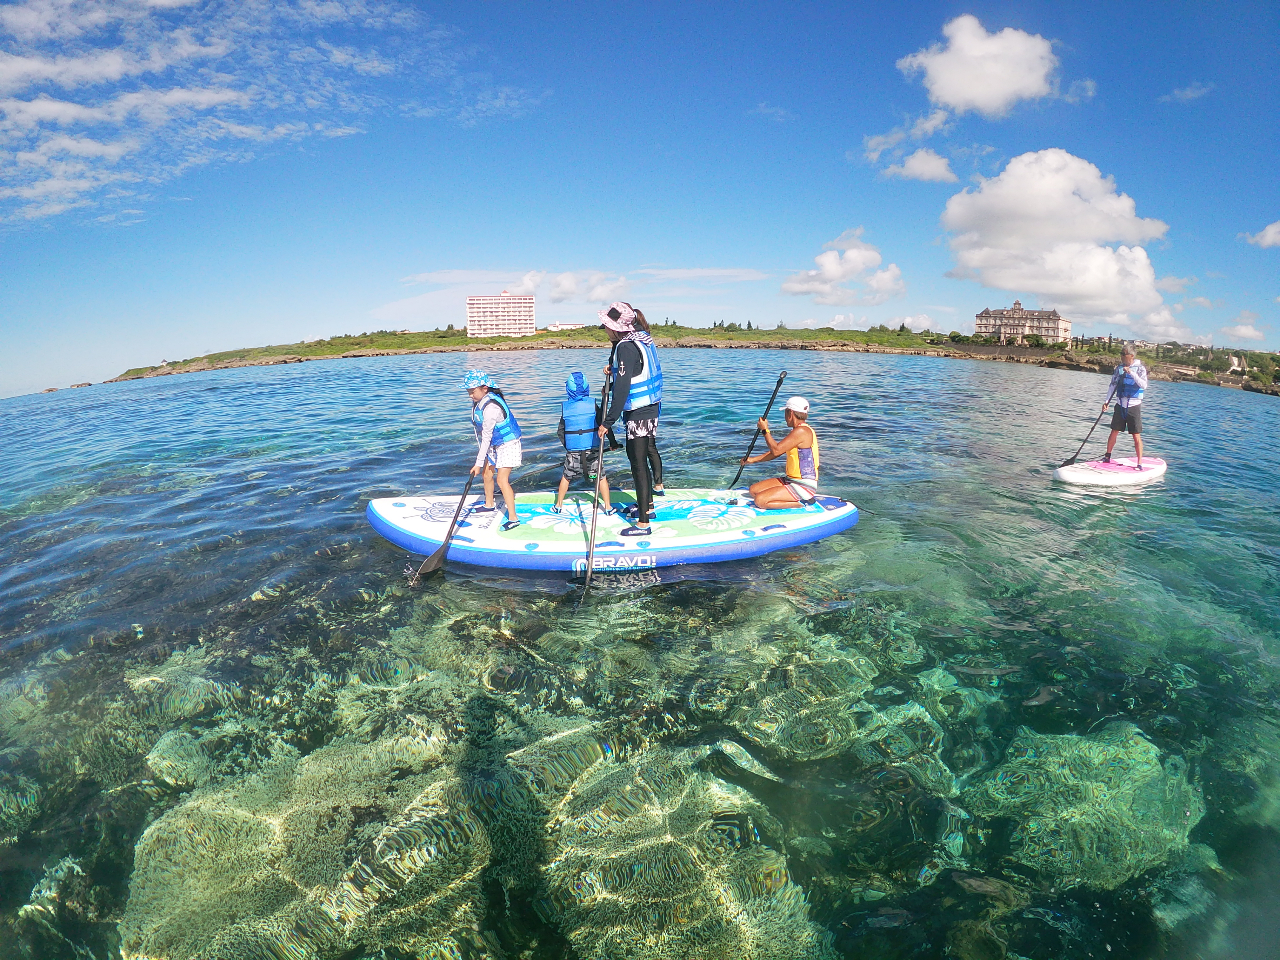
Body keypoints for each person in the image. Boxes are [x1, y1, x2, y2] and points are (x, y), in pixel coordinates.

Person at [597, 301, 663, 536]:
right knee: (641, 459)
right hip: (651, 407)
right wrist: (614, 373)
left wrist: (607, 421)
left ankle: (644, 523)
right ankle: (649, 506)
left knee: (637, 464)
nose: (604, 329)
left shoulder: (625, 347)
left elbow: (624, 387)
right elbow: (632, 374)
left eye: (606, 325)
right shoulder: (641, 338)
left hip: (639, 412)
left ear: (616, 327)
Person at [463, 370, 522, 530]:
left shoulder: (491, 408)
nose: (470, 395)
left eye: (472, 391)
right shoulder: (480, 402)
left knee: (502, 480)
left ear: (484, 388)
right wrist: (481, 463)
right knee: (487, 474)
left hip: (508, 443)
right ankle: (489, 504)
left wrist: (478, 462)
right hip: (494, 444)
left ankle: (513, 518)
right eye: (468, 392)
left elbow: (486, 437)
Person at [739, 396, 819, 509]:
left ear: (790, 413)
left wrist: (765, 430)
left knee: (760, 501)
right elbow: (777, 451)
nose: (785, 418)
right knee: (753, 491)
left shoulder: (802, 431)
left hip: (803, 485)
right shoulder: (799, 431)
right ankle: (791, 497)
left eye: (785, 413)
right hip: (790, 480)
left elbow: (775, 450)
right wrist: (751, 460)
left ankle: (800, 504)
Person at [553, 371, 614, 514]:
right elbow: (604, 426)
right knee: (600, 477)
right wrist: (612, 443)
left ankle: (559, 505)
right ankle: (608, 507)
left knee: (566, 477)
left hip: (573, 452)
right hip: (593, 451)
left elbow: (560, 432)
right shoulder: (593, 405)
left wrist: (569, 447)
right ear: (587, 388)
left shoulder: (566, 408)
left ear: (568, 389)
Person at [1102, 343, 1148, 466]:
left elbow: (1144, 385)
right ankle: (1107, 456)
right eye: (1121, 354)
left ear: (1131, 355)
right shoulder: (1118, 368)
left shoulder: (1140, 369)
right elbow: (1112, 385)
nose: (1121, 356)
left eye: (1124, 354)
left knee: (1136, 435)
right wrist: (1106, 402)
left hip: (1133, 405)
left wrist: (1132, 373)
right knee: (1114, 431)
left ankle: (1139, 463)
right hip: (1119, 404)